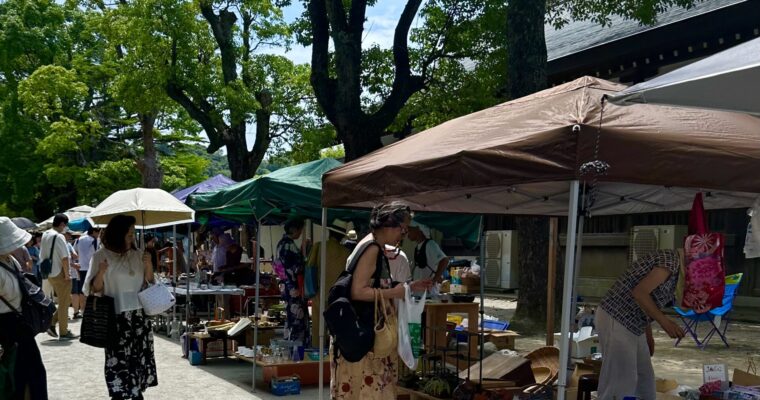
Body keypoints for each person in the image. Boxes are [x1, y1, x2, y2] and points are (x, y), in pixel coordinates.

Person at [331, 202, 432, 400]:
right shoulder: (372, 249)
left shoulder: (373, 244)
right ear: (390, 226)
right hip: (366, 336)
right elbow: (358, 292)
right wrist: (394, 293)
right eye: (403, 230)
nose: (403, 236)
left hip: (365, 334)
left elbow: (375, 282)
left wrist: (409, 287)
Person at [83, 215, 157, 400]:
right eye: (129, 234)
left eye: (133, 234)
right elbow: (94, 290)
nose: (132, 238)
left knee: (138, 357)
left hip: (138, 316)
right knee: (118, 360)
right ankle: (119, 394)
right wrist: (100, 272)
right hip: (115, 317)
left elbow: (149, 284)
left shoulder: (139, 254)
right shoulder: (101, 255)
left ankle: (137, 392)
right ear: (118, 234)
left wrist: (149, 265)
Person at [596, 250, 686, 399]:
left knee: (644, 380)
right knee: (621, 381)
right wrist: (665, 323)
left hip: (636, 324)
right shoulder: (671, 261)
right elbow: (640, 292)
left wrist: (648, 334)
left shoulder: (675, 269)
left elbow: (646, 301)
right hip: (617, 316)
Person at [0, 217, 48, 400]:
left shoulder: (10, 260)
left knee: (32, 375)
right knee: (13, 380)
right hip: (5, 328)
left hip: (19, 324)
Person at [307, 228, 351, 346]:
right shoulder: (346, 252)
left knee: (318, 328)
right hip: (338, 294)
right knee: (337, 328)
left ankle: (317, 353)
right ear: (342, 236)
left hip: (319, 293)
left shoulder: (319, 247)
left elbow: (310, 266)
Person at [39, 213, 75, 339]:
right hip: (60, 272)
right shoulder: (59, 236)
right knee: (64, 303)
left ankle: (52, 323)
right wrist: (67, 274)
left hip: (48, 272)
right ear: (62, 224)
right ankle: (64, 332)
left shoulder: (46, 234)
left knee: (66, 300)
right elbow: (65, 258)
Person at [276, 218, 311, 347]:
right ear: (294, 229)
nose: (300, 233)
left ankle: (292, 343)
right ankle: (296, 346)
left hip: (287, 285)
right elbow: (297, 267)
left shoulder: (281, 244)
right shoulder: (288, 245)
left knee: (292, 317)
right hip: (293, 285)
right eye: (300, 230)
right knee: (297, 318)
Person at [74, 227, 100, 318]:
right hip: (92, 268)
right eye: (98, 233)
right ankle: (92, 310)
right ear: (94, 232)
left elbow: (75, 253)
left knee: (82, 291)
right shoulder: (95, 240)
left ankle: (83, 310)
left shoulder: (78, 239)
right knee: (93, 290)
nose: (98, 235)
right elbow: (98, 254)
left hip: (81, 268)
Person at [66, 231, 83, 319]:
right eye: (68, 235)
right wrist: (73, 264)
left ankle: (73, 313)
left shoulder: (68, 245)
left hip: (71, 272)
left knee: (73, 293)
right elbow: (74, 256)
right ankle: (73, 313)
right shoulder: (67, 245)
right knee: (71, 293)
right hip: (67, 272)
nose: (70, 236)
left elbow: (75, 256)